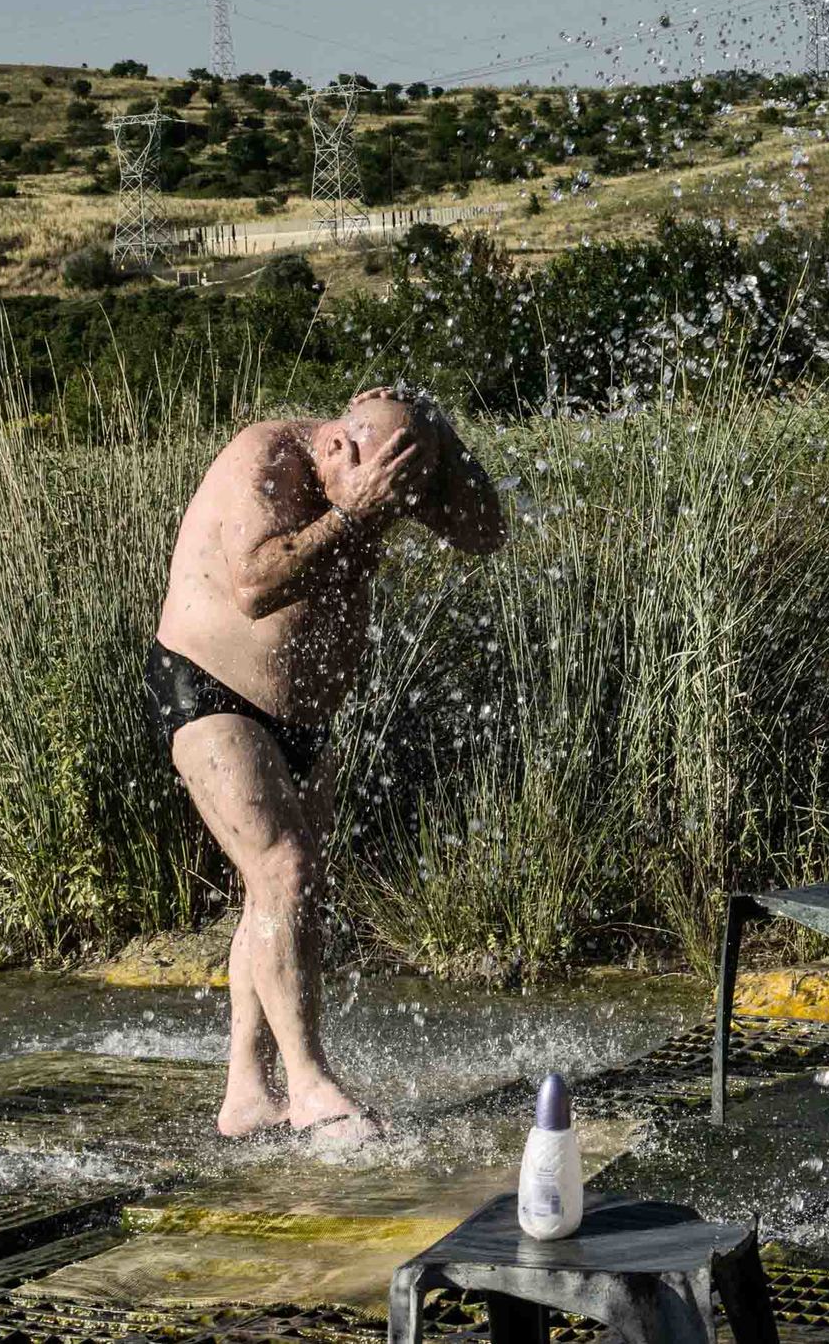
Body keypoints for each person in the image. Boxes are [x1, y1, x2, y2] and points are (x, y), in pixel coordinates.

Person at [147, 387, 505, 1142]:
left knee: (277, 887)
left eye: (402, 500)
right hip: (210, 684)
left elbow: (487, 532)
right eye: (386, 495)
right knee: (285, 868)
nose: (394, 513)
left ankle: (247, 1091)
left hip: (303, 714)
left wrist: (442, 445)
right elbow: (253, 586)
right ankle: (312, 1087)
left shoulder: (384, 468)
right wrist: (350, 517)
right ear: (338, 448)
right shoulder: (268, 458)